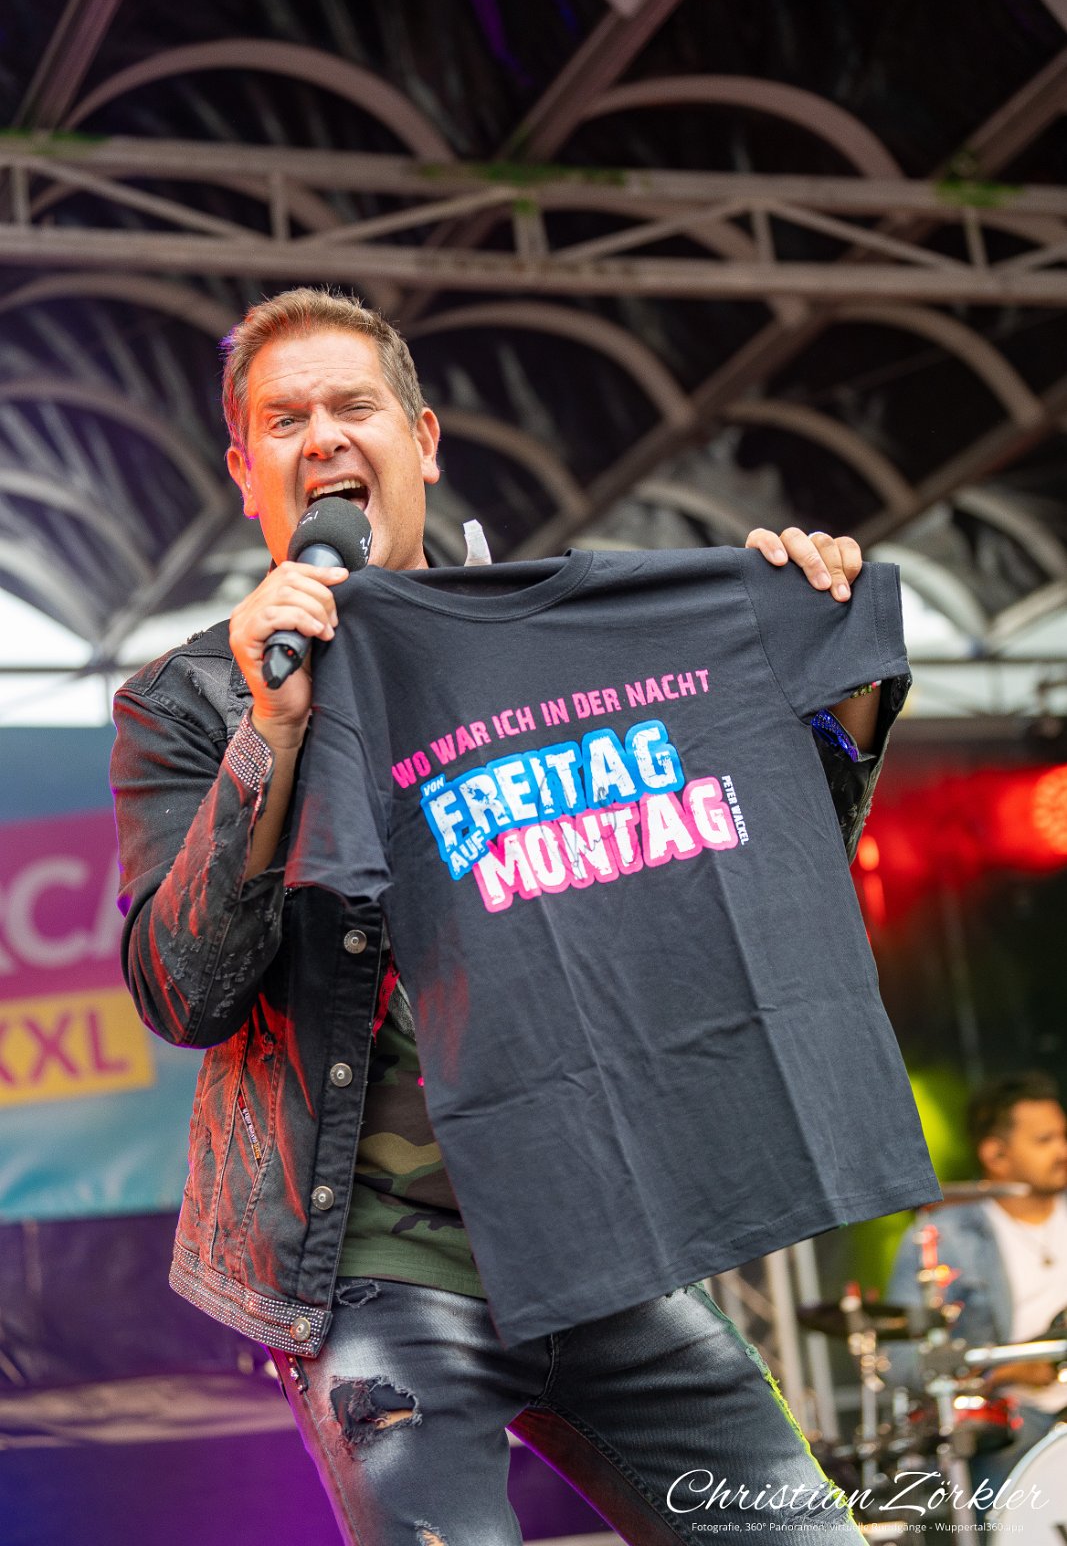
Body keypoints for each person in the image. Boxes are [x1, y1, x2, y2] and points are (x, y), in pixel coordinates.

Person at [110, 287, 923, 1545]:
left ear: (422, 441)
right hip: (373, 1265)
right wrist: (268, 734)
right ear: (244, 471)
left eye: (352, 406)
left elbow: (743, 863)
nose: (322, 436)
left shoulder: (551, 648)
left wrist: (830, 683)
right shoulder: (189, 700)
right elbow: (185, 991)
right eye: (284, 419)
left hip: (594, 1236)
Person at [885, 1071, 1067, 1492]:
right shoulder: (946, 1235)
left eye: (1063, 1136)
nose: (1062, 1150)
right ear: (996, 1154)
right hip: (1016, 1418)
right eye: (1044, 1140)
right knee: (1007, 1484)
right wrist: (1003, 1373)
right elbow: (902, 1359)